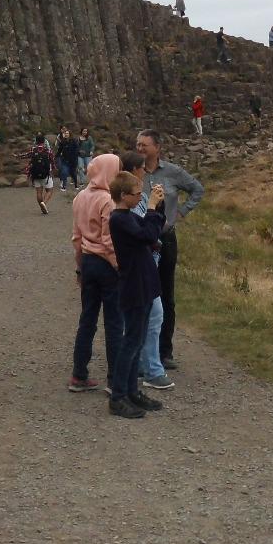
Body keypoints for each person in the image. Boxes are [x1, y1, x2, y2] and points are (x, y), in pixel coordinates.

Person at [136, 129, 204, 372]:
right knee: (141, 295)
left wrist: (180, 213)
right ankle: (141, 350)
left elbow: (197, 189)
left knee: (166, 295)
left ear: (157, 147)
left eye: (144, 145)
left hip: (166, 239)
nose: (140, 148)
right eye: (138, 144)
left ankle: (165, 351)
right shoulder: (133, 172)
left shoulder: (173, 172)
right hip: (140, 241)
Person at [107, 171, 168, 418]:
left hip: (143, 283)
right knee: (130, 341)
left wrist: (157, 208)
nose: (140, 197)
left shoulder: (128, 217)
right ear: (123, 196)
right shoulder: (119, 219)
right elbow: (147, 234)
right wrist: (152, 207)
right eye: (136, 194)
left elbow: (149, 228)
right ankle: (118, 396)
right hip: (133, 285)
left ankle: (131, 391)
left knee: (138, 339)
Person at [69, 153, 124, 394]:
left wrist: (80, 267)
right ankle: (115, 380)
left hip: (88, 262)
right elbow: (108, 240)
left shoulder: (80, 196)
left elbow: (76, 237)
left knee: (87, 319)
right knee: (114, 323)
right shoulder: (108, 201)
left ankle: (79, 374)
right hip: (105, 264)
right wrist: (118, 266)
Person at [23, 134, 55, 213]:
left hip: (35, 173)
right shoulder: (47, 150)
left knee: (39, 191)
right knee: (49, 190)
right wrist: (53, 168)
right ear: (44, 141)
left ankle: (42, 207)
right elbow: (52, 160)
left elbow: (25, 155)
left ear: (36, 141)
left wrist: (16, 155)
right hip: (46, 174)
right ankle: (44, 203)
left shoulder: (33, 149)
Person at [57, 126, 79, 190]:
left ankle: (76, 185)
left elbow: (77, 149)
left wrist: (75, 156)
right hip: (64, 160)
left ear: (70, 134)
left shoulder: (74, 141)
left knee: (73, 173)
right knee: (64, 172)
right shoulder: (62, 142)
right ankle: (64, 186)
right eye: (65, 133)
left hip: (73, 160)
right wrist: (56, 156)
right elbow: (59, 150)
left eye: (67, 133)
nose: (66, 134)